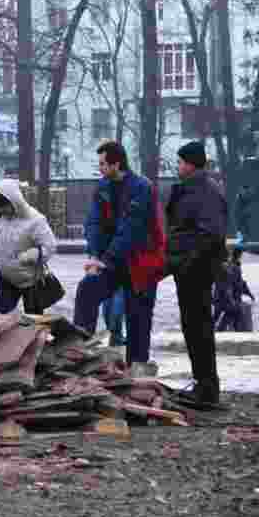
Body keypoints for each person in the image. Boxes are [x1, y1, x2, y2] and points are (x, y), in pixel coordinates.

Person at [74, 141, 163, 377]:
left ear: (116, 163)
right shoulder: (102, 187)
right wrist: (94, 254)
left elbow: (131, 229)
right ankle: (78, 353)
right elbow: (93, 222)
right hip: (110, 261)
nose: (100, 168)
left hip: (140, 262)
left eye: (103, 164)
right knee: (87, 290)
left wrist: (106, 259)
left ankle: (138, 371)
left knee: (138, 320)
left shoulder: (142, 187)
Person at [165, 141, 229, 405]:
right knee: (194, 327)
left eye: (180, 162)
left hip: (195, 269)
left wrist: (185, 262)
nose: (177, 166)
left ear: (190, 164)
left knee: (198, 328)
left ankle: (207, 386)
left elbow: (208, 234)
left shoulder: (203, 191)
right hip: (190, 266)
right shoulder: (195, 188)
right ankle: (203, 383)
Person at [0, 178, 57, 315]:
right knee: (2, 319)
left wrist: (34, 254)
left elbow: (50, 245)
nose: (2, 214)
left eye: (5, 210)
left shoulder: (35, 220)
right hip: (6, 278)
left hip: (30, 280)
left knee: (33, 321)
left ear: (14, 202)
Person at [214, 247, 255, 332]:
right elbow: (230, 284)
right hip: (226, 297)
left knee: (230, 314)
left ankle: (221, 330)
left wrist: (249, 293)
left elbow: (240, 283)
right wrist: (231, 299)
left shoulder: (233, 266)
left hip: (226, 297)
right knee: (232, 312)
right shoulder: (232, 267)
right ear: (239, 255)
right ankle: (221, 330)